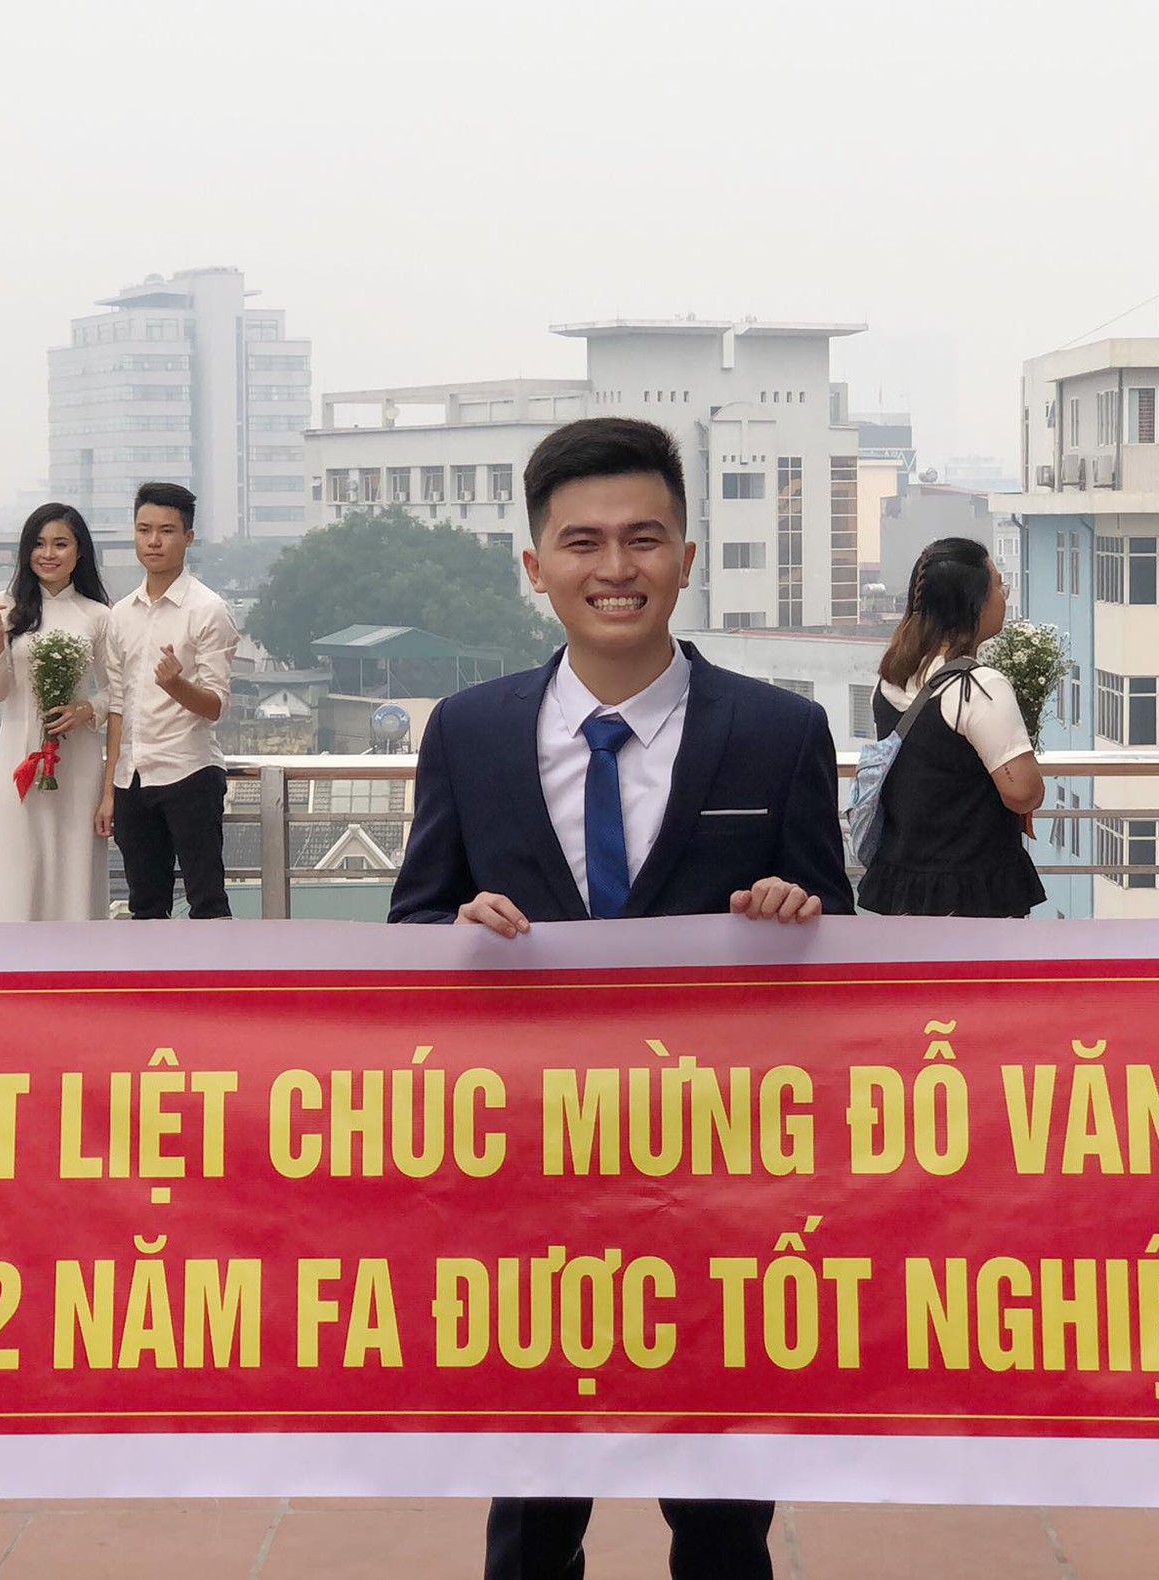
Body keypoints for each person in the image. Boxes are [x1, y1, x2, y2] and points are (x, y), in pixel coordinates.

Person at [388, 416, 853, 1580]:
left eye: (642, 538)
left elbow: (844, 955)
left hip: (720, 1176)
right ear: (534, 564)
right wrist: (454, 938)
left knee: (721, 1512)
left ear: (686, 557)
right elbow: (410, 930)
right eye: (582, 541)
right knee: (533, 1511)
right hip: (528, 1174)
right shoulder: (469, 732)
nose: (615, 567)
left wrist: (797, 915)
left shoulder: (779, 731)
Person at [860, 537, 1045, 918]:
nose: (1003, 596)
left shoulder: (891, 678)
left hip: (903, 881)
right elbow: (1023, 792)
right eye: (998, 586)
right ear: (973, 602)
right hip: (970, 891)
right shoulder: (977, 687)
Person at [104, 481, 239, 920]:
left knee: (207, 903)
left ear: (188, 537)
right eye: (144, 530)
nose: (154, 541)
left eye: (166, 531)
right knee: (145, 908)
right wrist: (109, 790)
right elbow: (117, 706)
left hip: (189, 772)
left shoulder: (207, 609)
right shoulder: (120, 614)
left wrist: (175, 684)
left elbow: (216, 705)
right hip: (132, 779)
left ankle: (215, 968)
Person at [0, 503, 115, 922]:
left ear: (80, 552)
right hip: (19, 755)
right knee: (21, 863)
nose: (48, 554)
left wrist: (86, 710)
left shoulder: (97, 615)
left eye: (61, 544)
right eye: (39, 544)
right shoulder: (4, 607)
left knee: (76, 863)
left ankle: (79, 954)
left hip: (78, 761)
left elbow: (118, 690)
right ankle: (18, 955)